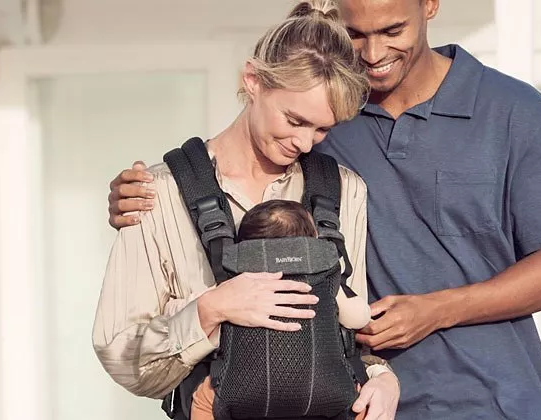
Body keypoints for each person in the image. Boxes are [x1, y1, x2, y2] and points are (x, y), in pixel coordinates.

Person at [106, 0, 541, 419]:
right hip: (353, 401)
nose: (372, 54)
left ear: (430, 5)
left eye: (393, 29)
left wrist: (436, 310)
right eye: (355, 34)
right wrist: (147, 190)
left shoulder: (515, 112)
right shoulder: (330, 113)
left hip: (492, 399)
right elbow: (249, 154)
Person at [92, 2, 400, 420]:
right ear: (253, 80)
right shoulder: (157, 194)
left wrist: (383, 378)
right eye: (294, 120)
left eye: (322, 128)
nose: (305, 144)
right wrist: (212, 309)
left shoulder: (344, 189)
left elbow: (346, 326)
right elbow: (123, 356)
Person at [169, 199, 372, 420]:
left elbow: (214, 332)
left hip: (240, 388)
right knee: (359, 403)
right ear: (312, 238)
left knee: (205, 399)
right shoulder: (324, 274)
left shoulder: (236, 281)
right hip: (325, 386)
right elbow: (359, 318)